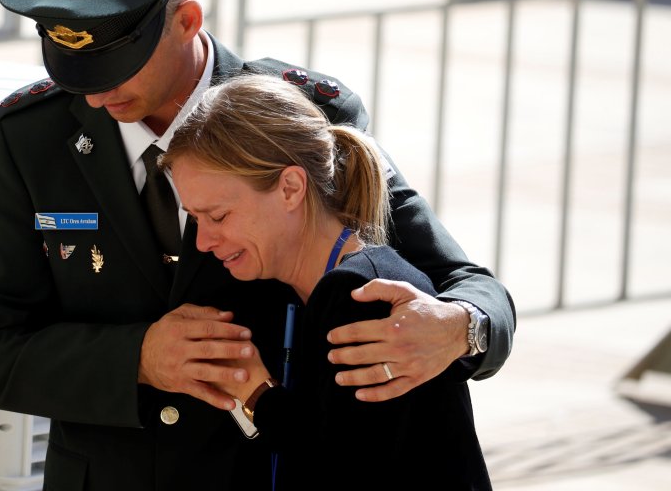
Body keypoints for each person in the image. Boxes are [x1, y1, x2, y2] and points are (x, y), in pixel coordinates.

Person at [0, 0, 514, 491]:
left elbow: (461, 283)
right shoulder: (29, 136)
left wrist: (460, 328)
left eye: (113, 69)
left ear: (187, 21)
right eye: (74, 74)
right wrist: (136, 358)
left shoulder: (302, 116)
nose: (91, 98)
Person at [161, 74, 492, 489]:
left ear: (290, 188)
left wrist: (255, 393)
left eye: (218, 216)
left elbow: (337, 465)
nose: (204, 242)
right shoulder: (288, 286)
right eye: (194, 219)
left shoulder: (361, 295)